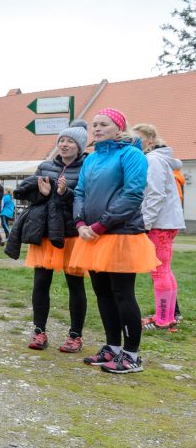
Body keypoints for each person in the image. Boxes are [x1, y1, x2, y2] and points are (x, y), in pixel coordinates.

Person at [69, 108, 160, 374]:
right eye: (94, 125)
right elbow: (80, 193)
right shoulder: (92, 159)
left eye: (103, 124)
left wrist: (100, 224)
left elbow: (133, 194)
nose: (96, 129)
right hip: (93, 235)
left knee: (122, 293)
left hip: (121, 234)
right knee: (103, 293)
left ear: (118, 129)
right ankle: (113, 348)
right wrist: (80, 223)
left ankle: (132, 355)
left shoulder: (131, 154)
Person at [15, 121, 89, 352]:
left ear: (80, 146)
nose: (64, 144)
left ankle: (75, 335)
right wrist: (42, 193)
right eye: (61, 140)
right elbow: (29, 197)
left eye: (70, 141)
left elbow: (87, 199)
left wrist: (65, 193)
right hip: (46, 232)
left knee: (75, 285)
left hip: (71, 234)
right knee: (40, 283)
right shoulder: (45, 166)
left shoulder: (88, 167)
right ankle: (39, 332)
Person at [132, 123, 186, 331]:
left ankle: (163, 319)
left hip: (159, 223)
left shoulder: (153, 160)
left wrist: (145, 223)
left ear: (150, 140)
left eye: (139, 138)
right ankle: (168, 316)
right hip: (166, 222)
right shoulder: (160, 159)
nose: (135, 142)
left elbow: (155, 194)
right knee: (164, 270)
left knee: (158, 271)